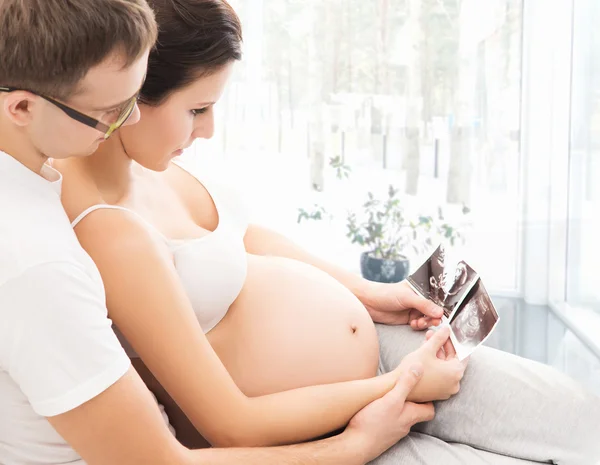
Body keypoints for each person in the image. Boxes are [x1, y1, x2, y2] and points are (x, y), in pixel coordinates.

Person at [55, 1, 600, 464]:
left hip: (381, 366)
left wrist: (368, 293)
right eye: (197, 109)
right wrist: (403, 383)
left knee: (575, 413)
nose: (210, 129)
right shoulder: (106, 230)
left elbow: (241, 237)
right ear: (130, 92)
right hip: (334, 418)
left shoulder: (150, 162)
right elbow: (228, 424)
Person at [0, 1, 435, 464]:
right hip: (309, 423)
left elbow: (237, 235)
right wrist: (364, 432)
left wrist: (364, 292)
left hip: (353, 387)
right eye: (112, 110)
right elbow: (171, 453)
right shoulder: (48, 256)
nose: (127, 121)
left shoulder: (50, 190)